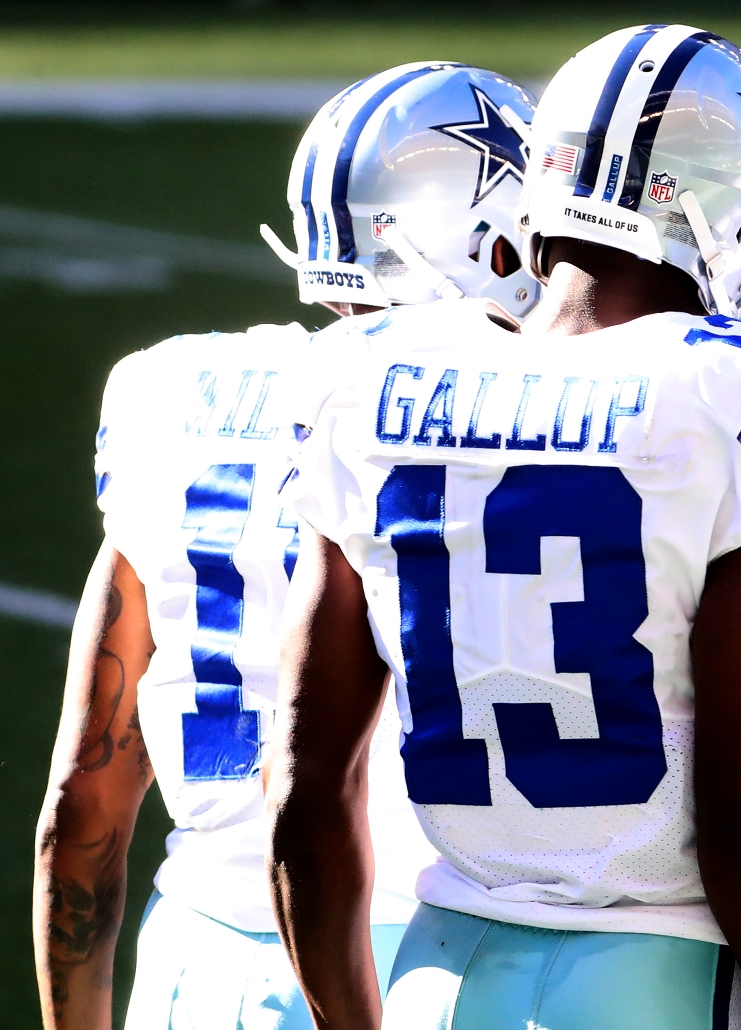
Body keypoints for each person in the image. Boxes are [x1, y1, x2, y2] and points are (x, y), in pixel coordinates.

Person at [267, 24, 741, 1030]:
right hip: (654, 967)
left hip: (437, 973)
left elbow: (306, 791)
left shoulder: (365, 376)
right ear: (724, 201)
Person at [34, 61, 540, 1030]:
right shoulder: (508, 419)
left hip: (188, 960)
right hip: (409, 957)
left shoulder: (165, 392)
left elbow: (79, 808)